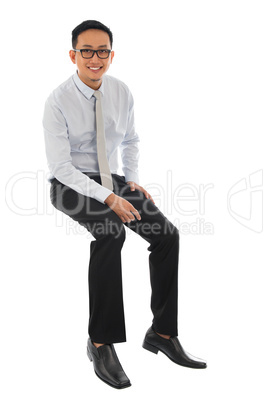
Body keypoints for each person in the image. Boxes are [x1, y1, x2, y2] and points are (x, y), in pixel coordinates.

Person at [43, 20, 207, 389]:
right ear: (74, 55)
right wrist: (110, 198)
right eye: (87, 51)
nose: (95, 58)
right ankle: (100, 343)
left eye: (102, 51)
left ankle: (162, 334)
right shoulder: (57, 101)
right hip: (69, 184)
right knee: (110, 234)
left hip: (112, 180)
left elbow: (131, 138)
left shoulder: (120, 91)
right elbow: (61, 167)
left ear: (111, 55)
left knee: (166, 236)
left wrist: (129, 179)